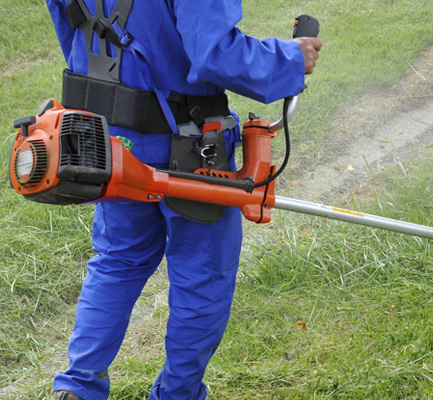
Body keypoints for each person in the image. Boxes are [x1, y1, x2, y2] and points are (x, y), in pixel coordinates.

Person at [44, 1, 322, 399]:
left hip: (109, 143)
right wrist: (289, 58)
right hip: (192, 148)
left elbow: (76, 36)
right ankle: (179, 394)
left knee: (117, 262)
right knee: (201, 279)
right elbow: (214, 54)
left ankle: (78, 389)